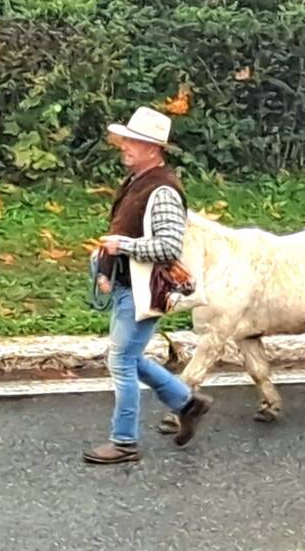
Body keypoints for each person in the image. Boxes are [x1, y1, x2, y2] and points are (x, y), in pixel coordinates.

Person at [83, 106, 212, 465]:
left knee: (121, 360)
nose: (124, 145)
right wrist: (107, 269)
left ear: (153, 149)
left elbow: (170, 246)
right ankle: (188, 403)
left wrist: (121, 248)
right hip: (129, 284)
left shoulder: (163, 191)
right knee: (129, 356)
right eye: (126, 139)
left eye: (133, 141)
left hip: (143, 288)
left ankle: (124, 441)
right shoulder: (139, 182)